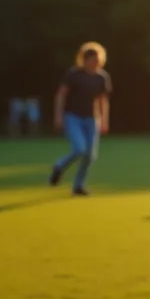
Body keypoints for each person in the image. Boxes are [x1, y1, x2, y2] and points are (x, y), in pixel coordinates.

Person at [48, 43, 111, 196]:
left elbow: (102, 100)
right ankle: (59, 166)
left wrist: (104, 120)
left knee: (90, 155)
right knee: (80, 149)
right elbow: (61, 95)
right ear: (84, 60)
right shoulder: (74, 75)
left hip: (91, 119)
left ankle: (78, 186)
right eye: (92, 60)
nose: (95, 63)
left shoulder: (101, 77)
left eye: (97, 60)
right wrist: (58, 116)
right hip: (73, 117)